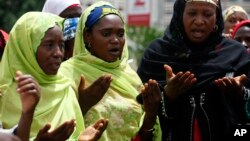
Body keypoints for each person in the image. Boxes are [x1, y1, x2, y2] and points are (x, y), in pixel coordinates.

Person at [137, 0, 250, 140]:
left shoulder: (235, 53)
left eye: (207, 14)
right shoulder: (157, 54)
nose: (199, 21)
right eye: (192, 13)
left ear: (216, 18)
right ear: (180, 15)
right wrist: (167, 95)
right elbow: (139, 111)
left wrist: (240, 94)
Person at [59, 1, 162, 141]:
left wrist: (150, 114)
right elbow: (57, 127)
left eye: (120, 34)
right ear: (87, 36)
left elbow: (142, 135)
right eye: (106, 34)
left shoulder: (130, 76)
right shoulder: (67, 73)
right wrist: (83, 105)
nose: (115, 40)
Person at [0, 11, 108, 141]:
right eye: (49, 45)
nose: (58, 53)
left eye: (61, 45)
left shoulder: (64, 88)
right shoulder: (5, 95)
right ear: (27, 49)